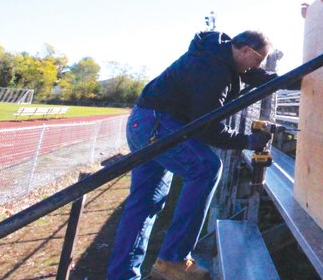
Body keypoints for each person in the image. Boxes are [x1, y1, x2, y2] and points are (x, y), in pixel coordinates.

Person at [107, 30, 275, 280]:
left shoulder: (219, 58)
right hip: (158, 123)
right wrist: (248, 141)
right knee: (206, 169)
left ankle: (122, 275)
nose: (257, 66)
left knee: (144, 203)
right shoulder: (214, 70)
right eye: (259, 60)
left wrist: (301, 77)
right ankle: (173, 258)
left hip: (146, 122)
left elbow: (260, 77)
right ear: (246, 51)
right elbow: (208, 128)